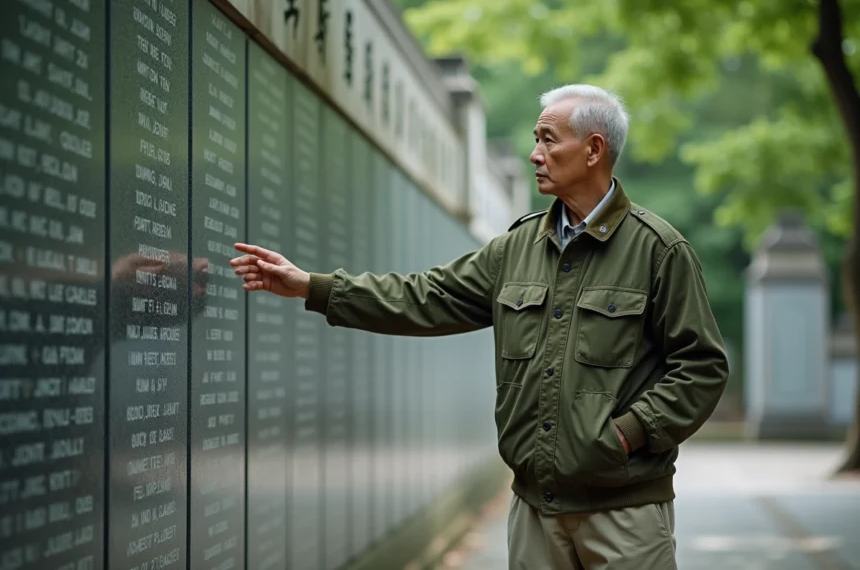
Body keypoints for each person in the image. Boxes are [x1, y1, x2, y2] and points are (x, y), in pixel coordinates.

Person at [230, 84, 729, 569]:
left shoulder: (659, 251)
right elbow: (425, 296)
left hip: (627, 513)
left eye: (548, 139)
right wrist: (310, 287)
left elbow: (702, 366)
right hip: (534, 510)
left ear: (594, 149)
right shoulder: (516, 249)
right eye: (536, 139)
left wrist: (627, 434)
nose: (535, 153)